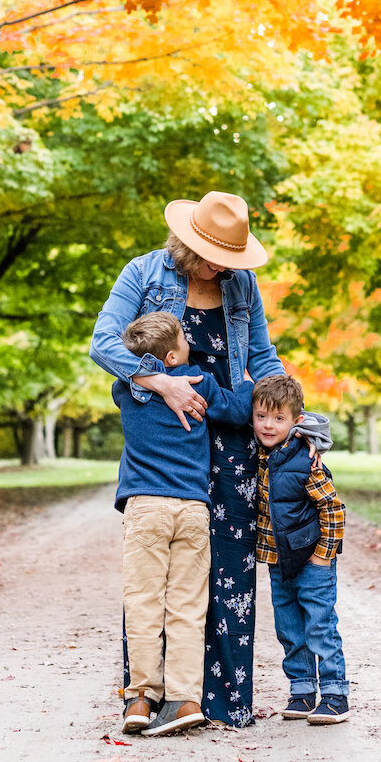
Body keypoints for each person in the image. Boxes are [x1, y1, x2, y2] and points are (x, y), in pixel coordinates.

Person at [91, 189, 328, 727]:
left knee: (226, 566)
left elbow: (264, 359)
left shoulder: (241, 284)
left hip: (234, 435)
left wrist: (291, 414)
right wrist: (160, 382)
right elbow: (103, 342)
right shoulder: (145, 273)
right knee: (158, 577)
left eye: (228, 259)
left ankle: (211, 699)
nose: (219, 268)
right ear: (185, 240)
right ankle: (146, 695)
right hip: (174, 435)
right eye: (211, 256)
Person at [113, 312, 253, 737]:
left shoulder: (125, 389)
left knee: (143, 603)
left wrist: (146, 374)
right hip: (193, 509)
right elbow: (239, 410)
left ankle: (140, 697)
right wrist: (246, 380)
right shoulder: (201, 384)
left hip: (146, 509)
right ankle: (186, 699)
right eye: (184, 338)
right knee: (188, 609)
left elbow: (127, 373)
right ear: (173, 355)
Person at [252, 374, 350, 725]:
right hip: (278, 561)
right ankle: (303, 690)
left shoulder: (305, 460)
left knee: (319, 626)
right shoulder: (258, 456)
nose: (268, 425)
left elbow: (333, 509)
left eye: (279, 418)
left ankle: (336, 695)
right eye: (261, 416)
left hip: (312, 560)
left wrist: (324, 554)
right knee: (289, 628)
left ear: (297, 421)